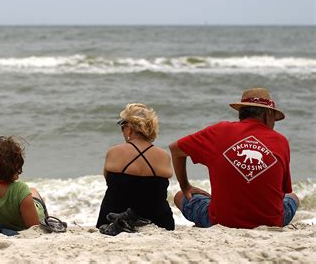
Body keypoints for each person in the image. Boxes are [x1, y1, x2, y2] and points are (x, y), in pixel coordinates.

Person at [170, 88, 299, 229]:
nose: (274, 122)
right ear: (268, 114)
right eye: (274, 116)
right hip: (271, 223)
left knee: (180, 196)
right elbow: (283, 191)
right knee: (292, 197)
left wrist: (185, 186)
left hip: (220, 222)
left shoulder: (219, 131)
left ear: (241, 112)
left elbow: (175, 149)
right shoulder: (281, 141)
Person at [96, 103, 175, 231]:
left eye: (122, 126)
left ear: (129, 128)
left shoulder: (114, 152)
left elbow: (109, 182)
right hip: (159, 221)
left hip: (112, 219)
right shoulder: (164, 156)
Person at [0, 136, 50, 232]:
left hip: (1, 221)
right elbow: (33, 228)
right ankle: (48, 218)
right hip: (33, 216)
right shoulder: (21, 189)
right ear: (15, 166)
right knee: (33, 191)